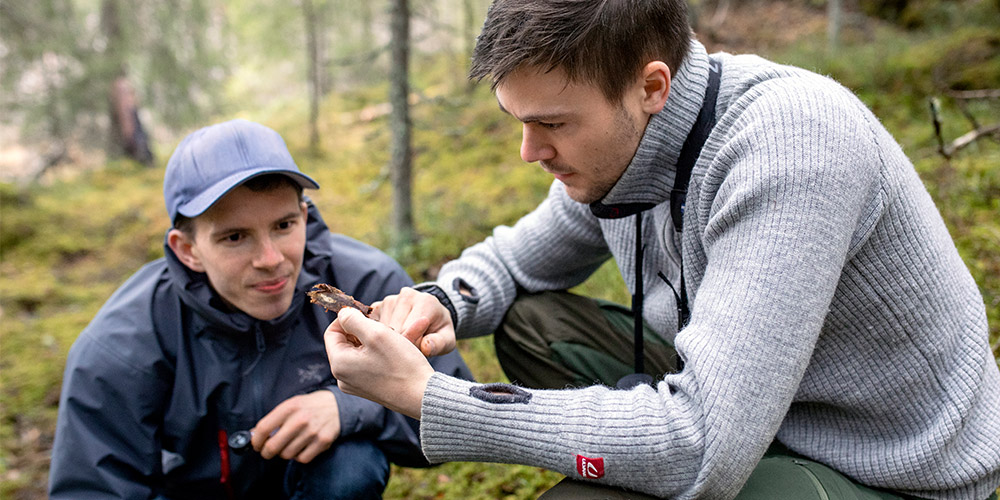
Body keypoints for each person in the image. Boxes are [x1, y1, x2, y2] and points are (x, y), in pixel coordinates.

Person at [323, 1, 1000, 499]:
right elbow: (513, 263)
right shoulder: (622, 147)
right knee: (535, 325)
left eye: (551, 123)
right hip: (753, 413)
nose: (530, 152)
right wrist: (439, 302)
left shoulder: (790, 144)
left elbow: (703, 443)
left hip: (891, 469)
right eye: (519, 122)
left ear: (652, 87)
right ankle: (633, 445)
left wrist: (435, 401)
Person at [48, 118, 473, 500]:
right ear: (188, 249)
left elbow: (456, 416)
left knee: (351, 467)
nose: (270, 258)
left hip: (313, 485)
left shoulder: (366, 286)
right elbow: (92, 488)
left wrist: (350, 409)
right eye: (235, 237)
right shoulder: (123, 344)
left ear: (305, 216)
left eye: (283, 226)